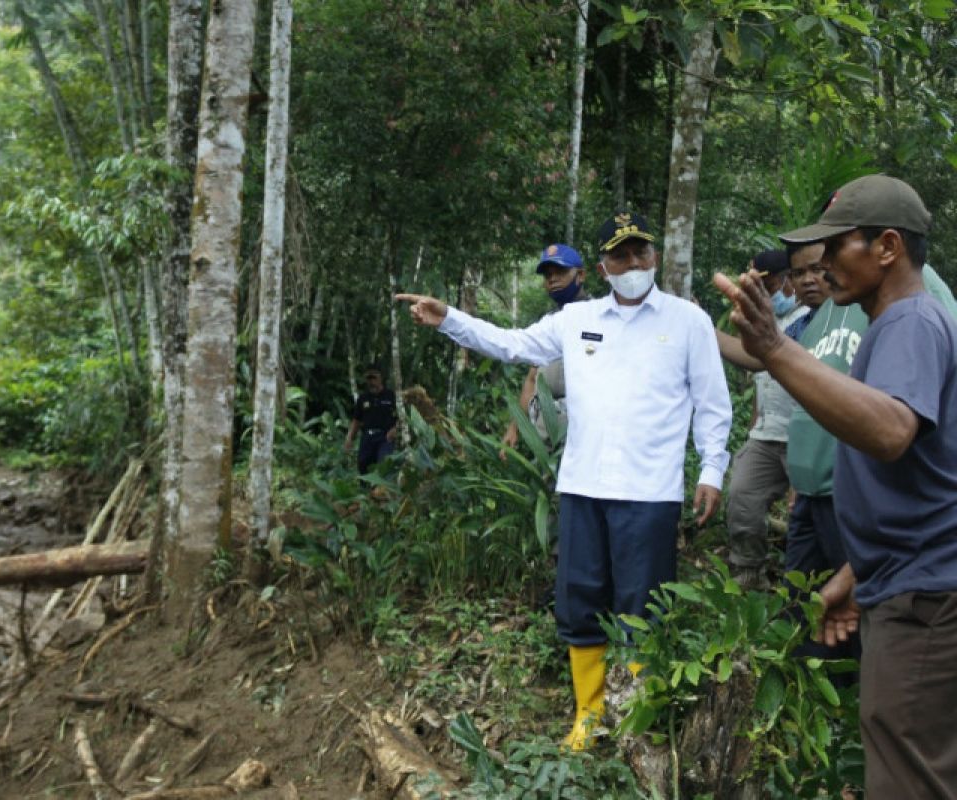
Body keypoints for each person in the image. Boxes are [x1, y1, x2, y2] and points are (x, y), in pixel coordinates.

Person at [397, 210, 732, 750]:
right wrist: (449, 318)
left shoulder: (687, 320)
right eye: (620, 256)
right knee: (580, 601)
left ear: (655, 257)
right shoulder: (577, 321)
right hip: (582, 487)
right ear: (602, 266)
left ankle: (635, 718)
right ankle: (590, 714)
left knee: (643, 606)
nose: (633, 264)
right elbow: (512, 344)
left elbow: (713, 403)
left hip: (649, 493)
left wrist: (712, 469)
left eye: (640, 252)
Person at [715, 174, 957, 796]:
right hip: (904, 581)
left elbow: (891, 430)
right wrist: (852, 580)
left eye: (837, 244)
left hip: (927, 599)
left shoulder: (911, 322)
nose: (820, 262)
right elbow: (925, 482)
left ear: (888, 248)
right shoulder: (892, 325)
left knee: (909, 774)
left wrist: (774, 348)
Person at [714, 249, 809, 590]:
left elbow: (763, 361)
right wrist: (756, 423)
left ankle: (802, 586)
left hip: (802, 435)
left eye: (768, 284)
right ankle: (748, 570)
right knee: (742, 495)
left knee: (805, 513)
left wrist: (707, 329)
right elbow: (762, 380)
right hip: (767, 434)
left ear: (788, 279)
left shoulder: (810, 319)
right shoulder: (766, 321)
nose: (767, 292)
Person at [501, 242, 590, 455]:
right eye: (548, 275)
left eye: (560, 271)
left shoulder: (599, 317)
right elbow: (532, 379)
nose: (552, 279)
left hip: (585, 434)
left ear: (581, 275)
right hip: (546, 433)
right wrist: (515, 427)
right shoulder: (547, 325)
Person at [344, 367, 398, 474]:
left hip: (385, 437)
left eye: (374, 378)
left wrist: (395, 429)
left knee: (384, 463)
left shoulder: (391, 396)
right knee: (363, 464)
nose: (371, 382)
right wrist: (349, 438)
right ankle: (366, 489)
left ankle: (382, 489)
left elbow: (401, 417)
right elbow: (356, 421)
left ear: (380, 378)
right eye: (369, 379)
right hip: (368, 437)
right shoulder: (363, 398)